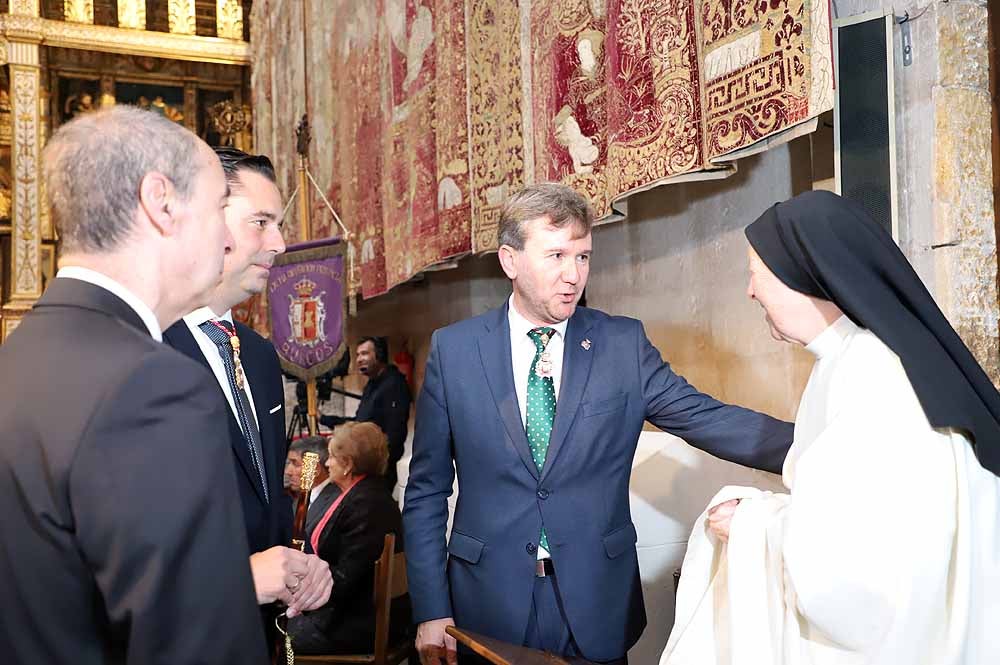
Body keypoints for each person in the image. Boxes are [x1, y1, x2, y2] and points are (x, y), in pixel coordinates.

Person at [403, 182, 794, 665]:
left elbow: (708, 418)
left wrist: (820, 445)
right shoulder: (455, 350)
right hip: (487, 601)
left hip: (594, 601)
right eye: (556, 255)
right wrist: (431, 608)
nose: (573, 275)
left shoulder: (621, 345)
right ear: (509, 260)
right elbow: (426, 492)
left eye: (583, 257)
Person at [660, 191, 1000, 665]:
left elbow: (859, 578)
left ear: (803, 275)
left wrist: (751, 523)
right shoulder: (848, 361)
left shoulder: (875, 376)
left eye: (756, 273)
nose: (751, 290)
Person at [0, 107, 267, 663]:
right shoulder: (152, 387)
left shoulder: (19, 356)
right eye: (220, 206)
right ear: (161, 203)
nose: (225, 238)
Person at [163, 147, 332, 646]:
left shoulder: (258, 355)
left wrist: (300, 566)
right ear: (204, 218)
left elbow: (266, 500)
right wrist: (239, 580)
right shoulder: (144, 348)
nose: (279, 244)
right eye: (261, 222)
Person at [289, 422, 411, 654]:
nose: (326, 462)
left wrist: (296, 593)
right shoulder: (366, 494)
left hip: (353, 625)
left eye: (333, 456)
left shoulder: (365, 505)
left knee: (263, 636)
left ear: (348, 464)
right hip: (351, 615)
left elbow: (344, 580)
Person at [320, 336, 412, 492]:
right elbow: (360, 422)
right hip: (364, 466)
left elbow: (395, 436)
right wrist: (325, 419)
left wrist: (375, 464)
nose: (359, 359)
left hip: (378, 469)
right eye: (357, 355)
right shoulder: (371, 384)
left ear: (379, 355)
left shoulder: (394, 384)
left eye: (365, 353)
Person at [283, 435, 338, 538]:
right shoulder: (298, 499)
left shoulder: (335, 501)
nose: (288, 472)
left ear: (315, 469)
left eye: (295, 464)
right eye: (289, 463)